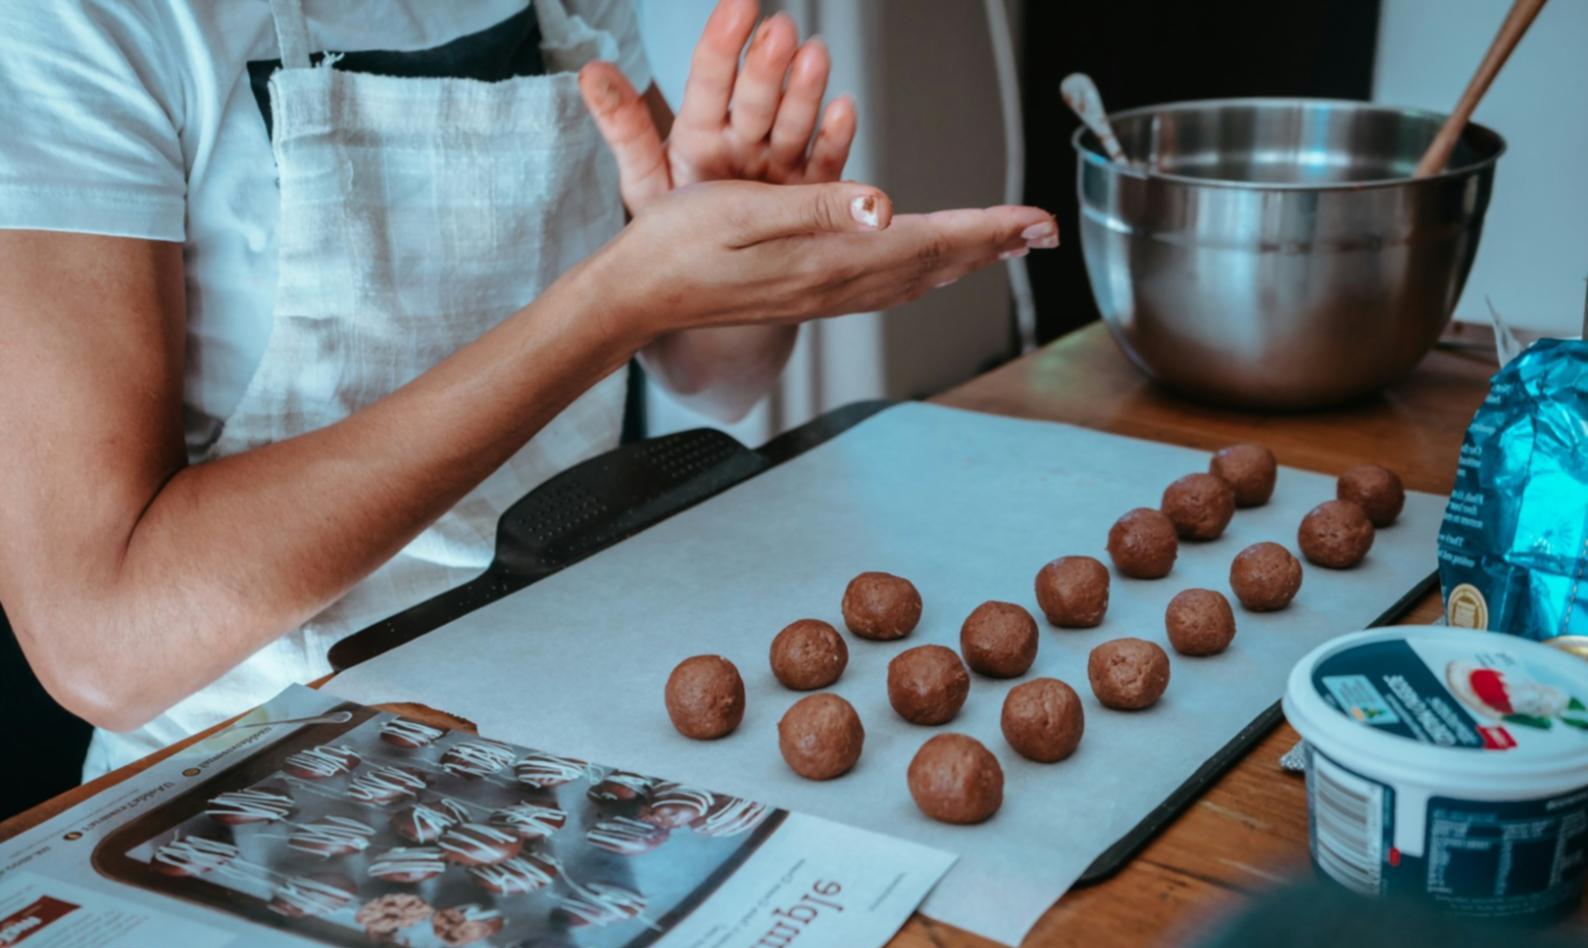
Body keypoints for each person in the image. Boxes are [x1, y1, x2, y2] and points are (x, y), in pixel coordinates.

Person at [0, 0, 1058, 780]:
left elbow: (713, 375)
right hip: (247, 776)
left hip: (582, 712)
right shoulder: (81, 24)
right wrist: (610, 304)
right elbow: (104, 638)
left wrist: (739, 254)